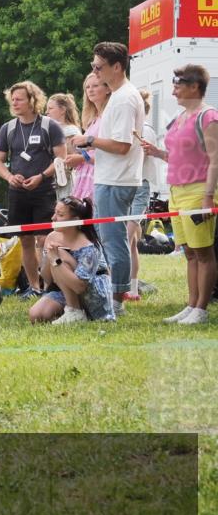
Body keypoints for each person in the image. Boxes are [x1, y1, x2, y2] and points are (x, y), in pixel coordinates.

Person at [141, 64, 217, 325]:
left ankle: (201, 309)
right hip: (177, 191)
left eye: (177, 85)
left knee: (203, 252)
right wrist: (158, 153)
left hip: (198, 191)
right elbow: (179, 155)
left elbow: (214, 158)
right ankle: (191, 305)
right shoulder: (181, 117)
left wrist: (208, 196)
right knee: (189, 252)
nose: (173, 91)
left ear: (194, 86)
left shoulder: (208, 116)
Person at [74, 42, 145, 312]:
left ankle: (117, 300)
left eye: (99, 67)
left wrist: (89, 139)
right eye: (93, 66)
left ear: (117, 66)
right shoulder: (119, 95)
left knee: (114, 241)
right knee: (110, 239)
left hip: (117, 179)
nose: (95, 72)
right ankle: (114, 296)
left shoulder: (125, 97)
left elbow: (122, 145)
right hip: (111, 176)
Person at [0, 81, 66, 297]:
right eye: (12, 99)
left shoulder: (49, 125)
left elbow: (61, 157)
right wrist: (9, 177)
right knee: (25, 239)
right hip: (18, 193)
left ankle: (50, 284)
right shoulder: (8, 128)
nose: (14, 103)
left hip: (43, 190)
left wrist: (42, 176)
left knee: (44, 239)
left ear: (32, 100)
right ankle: (33, 287)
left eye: (19, 99)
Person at [28, 197, 115, 324]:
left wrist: (57, 259)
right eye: (55, 212)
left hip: (93, 293)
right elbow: (47, 279)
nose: (53, 218)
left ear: (75, 221)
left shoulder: (89, 246)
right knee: (37, 315)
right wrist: (50, 257)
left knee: (61, 254)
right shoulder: (52, 237)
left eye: (60, 214)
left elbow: (80, 287)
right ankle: (71, 310)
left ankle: (75, 312)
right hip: (65, 289)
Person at [126, 89, 164, 301]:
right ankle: (130, 286)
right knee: (129, 241)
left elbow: (138, 158)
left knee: (128, 238)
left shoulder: (145, 129)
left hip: (139, 186)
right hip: (128, 186)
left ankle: (130, 286)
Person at [70, 73, 110, 202]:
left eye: (95, 86)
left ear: (108, 89)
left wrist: (82, 157)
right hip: (86, 175)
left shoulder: (108, 116)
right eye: (87, 87)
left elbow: (109, 151)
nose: (90, 90)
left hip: (100, 176)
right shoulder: (93, 119)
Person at [45, 92, 83, 199]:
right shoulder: (50, 130)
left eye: (50, 108)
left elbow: (74, 160)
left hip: (66, 182)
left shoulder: (70, 131)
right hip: (51, 182)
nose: (46, 112)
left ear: (62, 110)